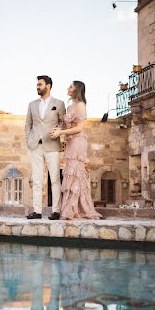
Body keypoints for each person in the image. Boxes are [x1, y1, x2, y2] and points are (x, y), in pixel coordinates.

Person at [50, 81, 101, 220]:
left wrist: (61, 132)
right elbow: (65, 125)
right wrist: (58, 129)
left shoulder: (80, 106)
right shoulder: (70, 106)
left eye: (71, 86)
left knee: (76, 174)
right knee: (70, 175)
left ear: (76, 89)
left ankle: (77, 209)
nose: (68, 88)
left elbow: (79, 128)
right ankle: (70, 208)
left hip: (78, 142)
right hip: (71, 142)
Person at [25, 75, 66, 220]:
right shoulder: (32, 104)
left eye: (40, 84)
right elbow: (28, 125)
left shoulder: (59, 104)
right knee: (37, 179)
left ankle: (56, 211)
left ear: (48, 86)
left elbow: (63, 122)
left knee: (54, 179)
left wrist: (58, 131)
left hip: (52, 146)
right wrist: (28, 141)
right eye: (37, 84)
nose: (37, 87)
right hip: (35, 146)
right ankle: (37, 211)